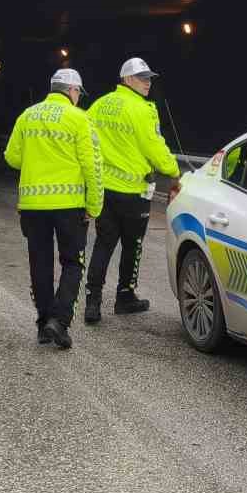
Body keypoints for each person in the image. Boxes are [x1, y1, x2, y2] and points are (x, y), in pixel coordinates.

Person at [4, 69, 103, 349]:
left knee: (41, 264)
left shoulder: (27, 116)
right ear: (72, 91)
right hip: (70, 207)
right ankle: (59, 322)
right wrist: (94, 207)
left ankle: (42, 323)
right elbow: (93, 168)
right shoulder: (80, 119)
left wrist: (38, 160)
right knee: (73, 263)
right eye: (77, 94)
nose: (77, 98)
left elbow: (12, 157)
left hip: (33, 207)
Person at [82, 57, 181, 324]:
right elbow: (154, 147)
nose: (148, 83)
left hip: (105, 191)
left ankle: (93, 303)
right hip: (134, 192)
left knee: (103, 244)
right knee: (132, 245)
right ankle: (125, 296)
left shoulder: (99, 105)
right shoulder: (143, 109)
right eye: (142, 78)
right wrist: (174, 171)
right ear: (127, 80)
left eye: (149, 78)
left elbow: (84, 138)